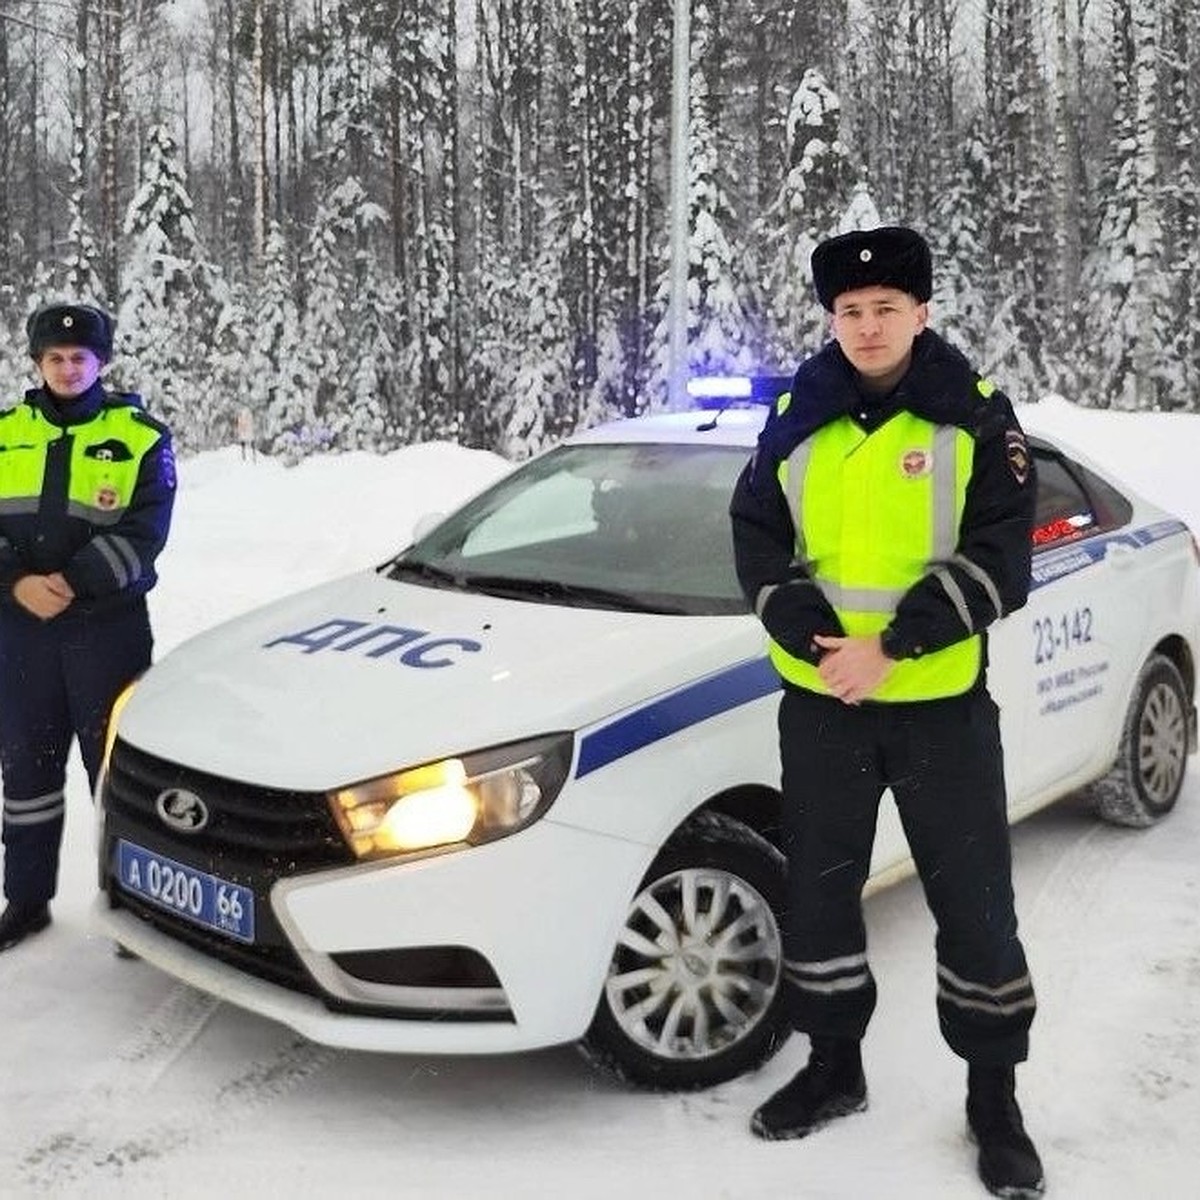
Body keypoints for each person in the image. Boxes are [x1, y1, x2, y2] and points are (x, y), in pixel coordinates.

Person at [729, 227, 1043, 1198]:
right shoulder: (796, 417)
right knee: (820, 897)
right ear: (833, 320)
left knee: (976, 908)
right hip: (822, 706)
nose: (867, 327)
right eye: (851, 312)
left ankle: (994, 1096)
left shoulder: (974, 419)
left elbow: (1002, 556)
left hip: (939, 708)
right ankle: (834, 1068)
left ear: (923, 313)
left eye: (886, 309)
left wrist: (890, 646)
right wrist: (820, 639)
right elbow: (755, 533)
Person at [0, 302, 176, 951]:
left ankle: (130, 903)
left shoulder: (141, 437)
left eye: (80, 357)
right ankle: (26, 898)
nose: (68, 368)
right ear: (37, 362)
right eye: (55, 358)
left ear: (101, 361)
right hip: (19, 631)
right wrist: (16, 584)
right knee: (25, 769)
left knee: (117, 772)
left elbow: (146, 531)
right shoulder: (5, 433)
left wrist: (73, 582)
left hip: (108, 631)